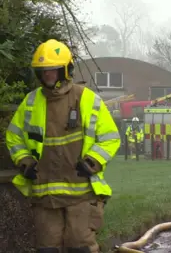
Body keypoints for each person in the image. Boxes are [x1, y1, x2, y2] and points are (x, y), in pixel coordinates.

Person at [6, 39, 121, 253]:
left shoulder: (86, 99)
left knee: (81, 248)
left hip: (82, 194)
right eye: (43, 71)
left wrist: (92, 161)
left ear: (65, 70)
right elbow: (13, 136)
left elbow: (110, 137)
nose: (48, 75)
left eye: (53, 70)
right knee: (47, 249)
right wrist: (24, 161)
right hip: (45, 196)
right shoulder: (31, 102)